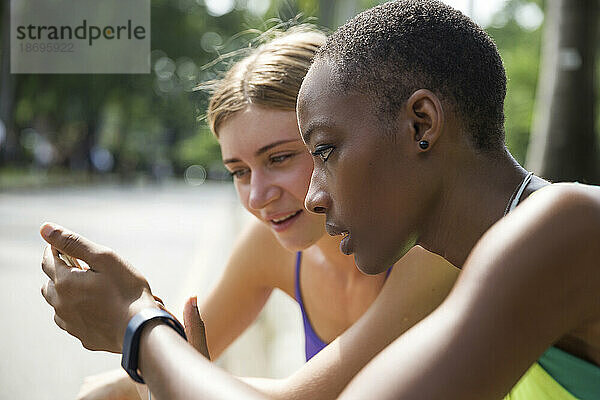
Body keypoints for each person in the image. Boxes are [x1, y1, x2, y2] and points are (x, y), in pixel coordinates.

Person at [40, 1, 600, 399]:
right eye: (237, 170)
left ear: (421, 123)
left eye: (323, 152)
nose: (309, 194)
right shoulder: (500, 248)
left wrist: (136, 324)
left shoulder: (564, 227)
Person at [65, 27, 459, 400]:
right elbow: (186, 350)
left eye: (280, 157)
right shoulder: (270, 247)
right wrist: (122, 382)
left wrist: (133, 320)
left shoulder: (430, 249)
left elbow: (308, 396)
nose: (257, 196)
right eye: (239, 171)